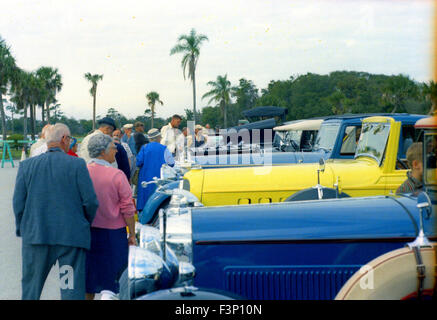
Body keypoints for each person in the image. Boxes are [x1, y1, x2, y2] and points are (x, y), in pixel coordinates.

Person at [13, 123, 99, 300]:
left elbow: (18, 203)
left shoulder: (27, 166)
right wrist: (83, 223)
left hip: (36, 237)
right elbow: (90, 201)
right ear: (63, 139)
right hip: (70, 238)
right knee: (71, 290)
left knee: (31, 289)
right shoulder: (77, 164)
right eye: (70, 139)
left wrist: (23, 228)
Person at [85, 134, 137, 300]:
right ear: (102, 151)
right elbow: (128, 208)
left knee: (89, 279)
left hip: (88, 232)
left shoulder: (82, 172)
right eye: (113, 148)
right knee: (113, 281)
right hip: (113, 234)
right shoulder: (116, 175)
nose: (116, 151)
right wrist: (132, 233)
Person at [136, 128, 175, 222]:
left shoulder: (144, 148)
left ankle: (143, 220)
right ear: (158, 138)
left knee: (144, 199)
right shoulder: (164, 148)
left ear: (150, 138)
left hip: (145, 177)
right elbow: (171, 163)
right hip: (160, 178)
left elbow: (138, 162)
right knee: (158, 198)